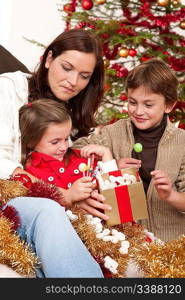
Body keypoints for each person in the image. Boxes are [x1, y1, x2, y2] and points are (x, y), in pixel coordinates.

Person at [0, 28, 111, 277]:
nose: (73, 82)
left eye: (84, 76)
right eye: (67, 67)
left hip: (45, 200)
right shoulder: (9, 87)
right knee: (48, 209)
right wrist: (60, 195)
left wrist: (106, 163)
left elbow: (68, 161)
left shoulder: (72, 111)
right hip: (8, 195)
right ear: (49, 59)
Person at [73, 58, 185, 243]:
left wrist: (170, 195)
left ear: (169, 105)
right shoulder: (113, 132)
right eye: (133, 102)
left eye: (148, 105)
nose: (138, 111)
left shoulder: (181, 142)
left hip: (171, 243)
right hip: (125, 241)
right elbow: (76, 152)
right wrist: (111, 165)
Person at [19, 99, 117, 207]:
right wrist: (70, 197)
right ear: (31, 141)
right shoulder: (30, 173)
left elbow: (115, 189)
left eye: (66, 139)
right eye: (55, 142)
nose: (63, 147)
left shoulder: (80, 157)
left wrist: (106, 156)